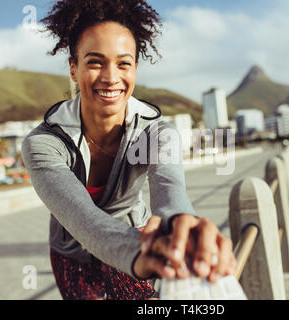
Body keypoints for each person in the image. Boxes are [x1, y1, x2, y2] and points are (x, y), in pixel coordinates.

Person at [22, 0, 236, 300]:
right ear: (74, 68)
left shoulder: (157, 132)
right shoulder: (44, 143)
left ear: (135, 68)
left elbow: (170, 191)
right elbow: (83, 219)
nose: (111, 76)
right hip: (72, 253)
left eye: (123, 63)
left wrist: (182, 230)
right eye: (95, 61)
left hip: (134, 240)